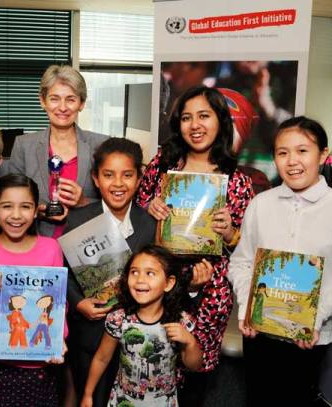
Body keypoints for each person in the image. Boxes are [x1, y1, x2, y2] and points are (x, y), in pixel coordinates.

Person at [227, 116, 332, 407]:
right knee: (257, 399)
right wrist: (248, 305)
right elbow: (240, 263)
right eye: (282, 152)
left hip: (308, 339)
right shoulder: (260, 205)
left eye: (303, 150)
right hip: (259, 334)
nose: (292, 161)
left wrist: (317, 314)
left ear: (323, 154)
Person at [136, 85, 254, 405]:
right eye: (187, 117)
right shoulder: (162, 165)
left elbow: (247, 248)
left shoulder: (237, 181)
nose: (195, 125)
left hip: (209, 291)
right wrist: (149, 208)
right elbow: (136, 212)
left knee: (195, 373)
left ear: (220, 121)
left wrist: (229, 233)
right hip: (161, 283)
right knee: (152, 363)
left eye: (204, 116)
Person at [65, 137, 157, 405]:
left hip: (135, 339)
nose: (118, 184)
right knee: (91, 397)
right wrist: (78, 302)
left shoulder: (149, 224)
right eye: (108, 175)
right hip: (90, 336)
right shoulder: (77, 220)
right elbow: (64, 273)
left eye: (127, 175)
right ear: (95, 178)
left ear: (139, 179)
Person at [0, 174, 66, 406]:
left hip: (40, 364)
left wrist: (60, 339)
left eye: (25, 206)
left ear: (36, 210)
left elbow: (59, 304)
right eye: (7, 206)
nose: (16, 215)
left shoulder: (51, 248)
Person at [81, 245, 203, 407]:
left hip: (163, 402)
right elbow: (102, 358)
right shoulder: (119, 319)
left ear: (169, 283)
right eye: (134, 272)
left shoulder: (180, 321)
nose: (140, 279)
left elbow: (194, 366)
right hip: (123, 401)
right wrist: (88, 394)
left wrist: (190, 342)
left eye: (150, 273)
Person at [8, 65, 109, 237]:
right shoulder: (23, 145)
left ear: (82, 103)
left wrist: (83, 202)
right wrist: (38, 210)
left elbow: (118, 202)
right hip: (36, 242)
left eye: (70, 99)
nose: (62, 108)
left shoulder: (101, 145)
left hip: (87, 242)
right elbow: (11, 200)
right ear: (43, 101)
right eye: (54, 99)